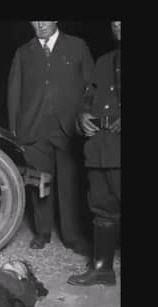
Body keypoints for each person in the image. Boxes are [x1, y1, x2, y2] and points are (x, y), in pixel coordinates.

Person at [8, 21, 94, 253]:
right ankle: (42, 232)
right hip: (33, 128)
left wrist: (86, 115)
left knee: (70, 184)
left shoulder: (77, 47)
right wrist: (14, 129)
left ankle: (72, 236)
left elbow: (91, 86)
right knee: (40, 183)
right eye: (35, 20)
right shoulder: (23, 52)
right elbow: (14, 91)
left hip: (69, 128)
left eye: (44, 19)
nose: (40, 24)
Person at [68, 21, 121, 286]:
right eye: (115, 21)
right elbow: (88, 100)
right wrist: (82, 117)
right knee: (102, 207)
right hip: (101, 148)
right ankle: (103, 269)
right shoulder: (104, 61)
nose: (119, 25)